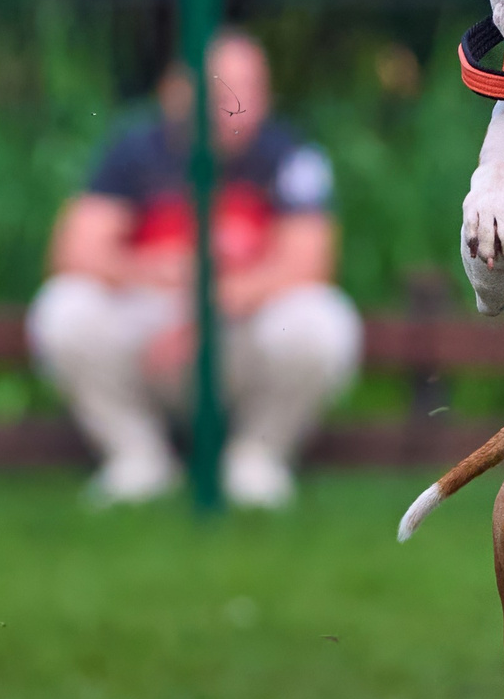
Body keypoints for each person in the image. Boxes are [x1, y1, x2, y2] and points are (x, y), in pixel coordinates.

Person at [27, 29, 362, 509]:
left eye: (253, 88)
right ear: (179, 92)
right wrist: (149, 273)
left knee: (323, 319)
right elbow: (74, 251)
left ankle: (257, 460)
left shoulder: (290, 155)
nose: (239, 104)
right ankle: (136, 459)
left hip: (240, 331)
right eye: (226, 88)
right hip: (150, 329)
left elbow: (310, 264)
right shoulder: (134, 149)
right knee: (62, 308)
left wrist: (205, 308)